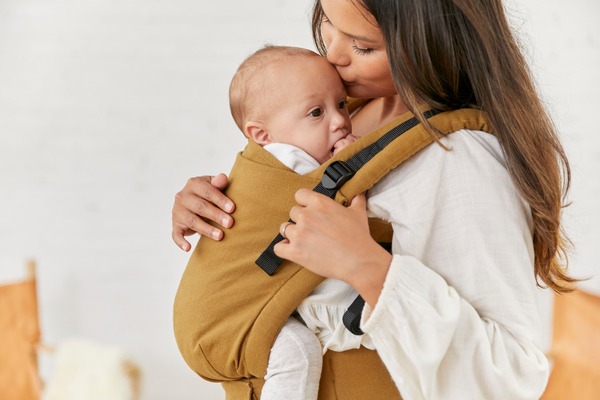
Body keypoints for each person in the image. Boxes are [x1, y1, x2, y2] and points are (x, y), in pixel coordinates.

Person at [172, 0, 576, 398]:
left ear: (430, 43)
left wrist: (365, 266)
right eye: (328, 21)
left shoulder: (460, 157)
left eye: (362, 46)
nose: (331, 54)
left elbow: (509, 378)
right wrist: (217, 203)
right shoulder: (345, 110)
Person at [208, 44, 363, 400]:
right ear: (262, 136)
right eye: (315, 112)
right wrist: (355, 160)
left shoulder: (302, 147)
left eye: (341, 104)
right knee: (297, 353)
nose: (340, 120)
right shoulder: (288, 159)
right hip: (248, 309)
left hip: (278, 299)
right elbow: (338, 191)